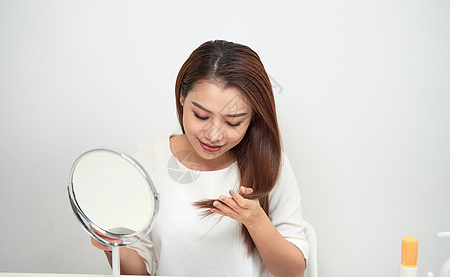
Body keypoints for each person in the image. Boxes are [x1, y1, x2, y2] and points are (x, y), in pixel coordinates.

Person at [91, 40, 310, 276]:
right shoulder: (148, 161)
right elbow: (141, 271)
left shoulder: (269, 163)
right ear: (182, 97)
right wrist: (111, 245)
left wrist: (256, 220)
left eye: (233, 122)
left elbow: (293, 272)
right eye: (201, 115)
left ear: (253, 117)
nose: (214, 134)